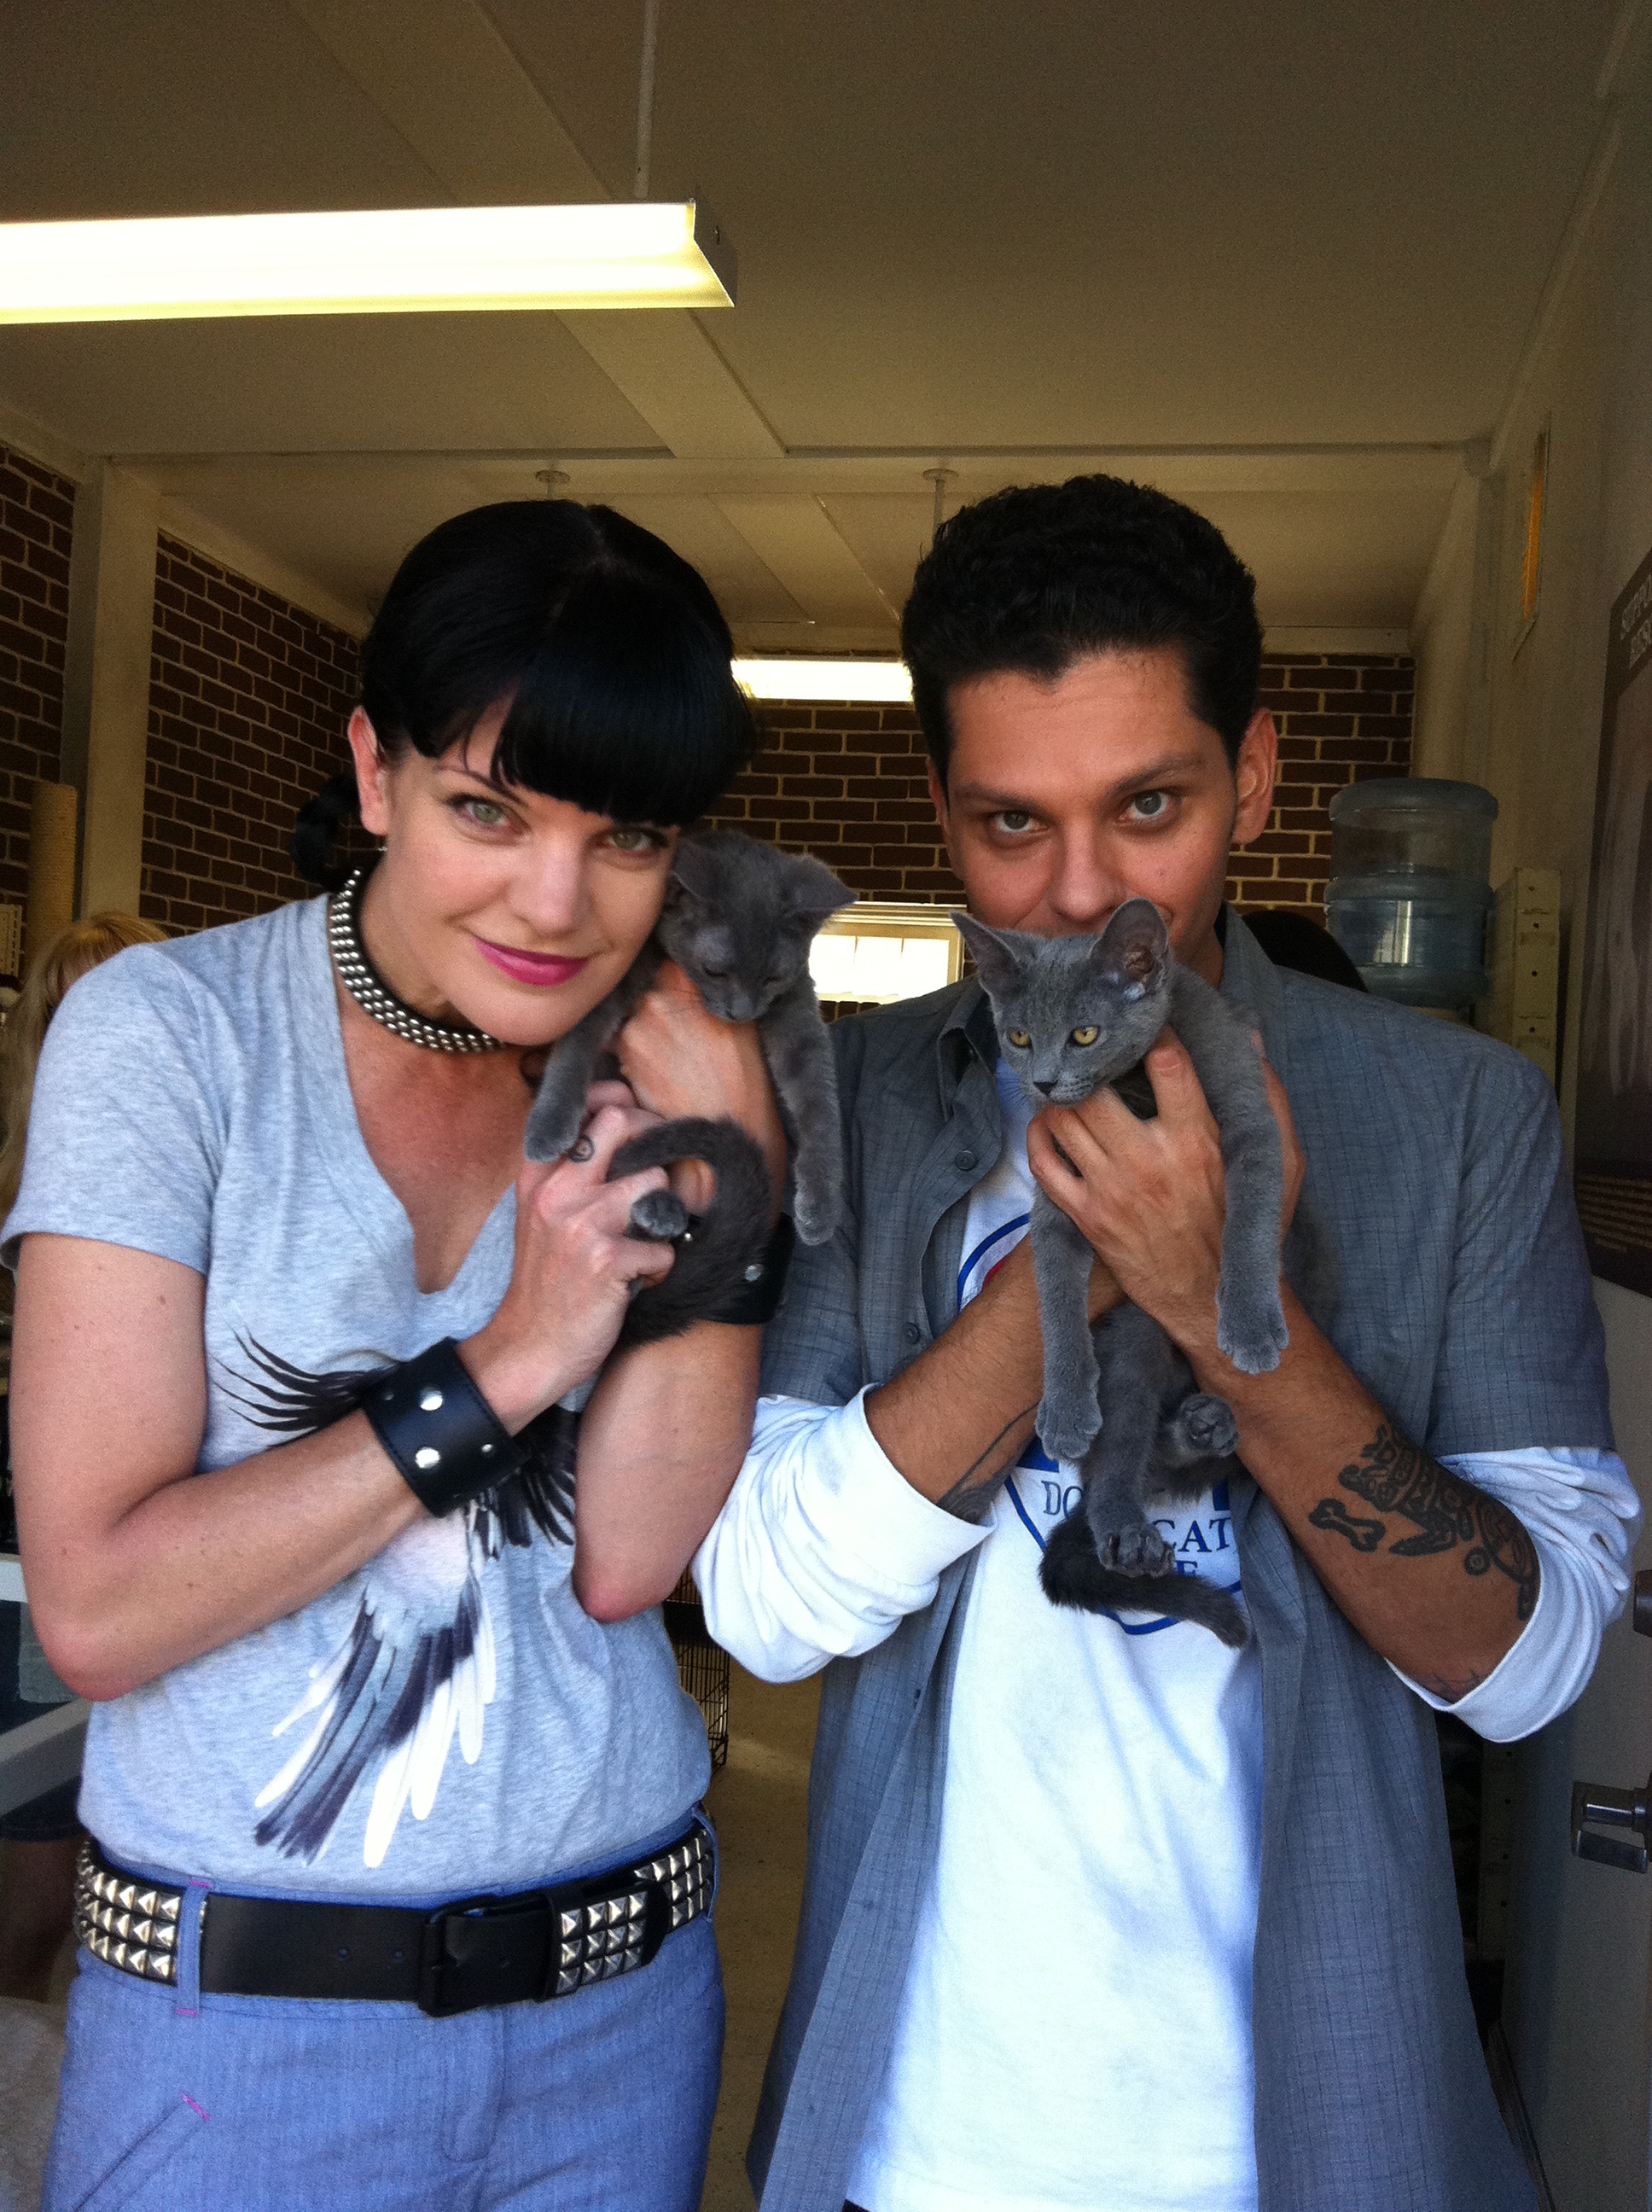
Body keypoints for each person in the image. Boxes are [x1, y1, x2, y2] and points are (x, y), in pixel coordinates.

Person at [695, 474, 1639, 2212]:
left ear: (1252, 779)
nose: (1080, 892)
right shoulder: (869, 1098)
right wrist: (1071, 1271)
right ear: (940, 813)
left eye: (1148, 805)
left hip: (1300, 2146)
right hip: (919, 2138)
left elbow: (1527, 1666)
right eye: (1010, 823)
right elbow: (762, 1606)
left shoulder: (1455, 1119)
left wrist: (1219, 1306)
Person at [8, 501, 789, 2211]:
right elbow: (101, 1606)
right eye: (486, 810)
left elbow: (630, 1564)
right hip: (238, 2024)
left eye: (625, 835)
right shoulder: (175, 1039)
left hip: (617, 2012)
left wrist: (736, 1181)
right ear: (376, 772)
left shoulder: (665, 1078)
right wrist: (508, 1361)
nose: (554, 901)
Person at [0, 912, 168, 2004]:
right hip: (26, 1571)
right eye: (71, 1008)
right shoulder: (17, 1184)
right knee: (36, 1890)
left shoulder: (207, 1177)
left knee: (105, 1888)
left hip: (157, 1565)